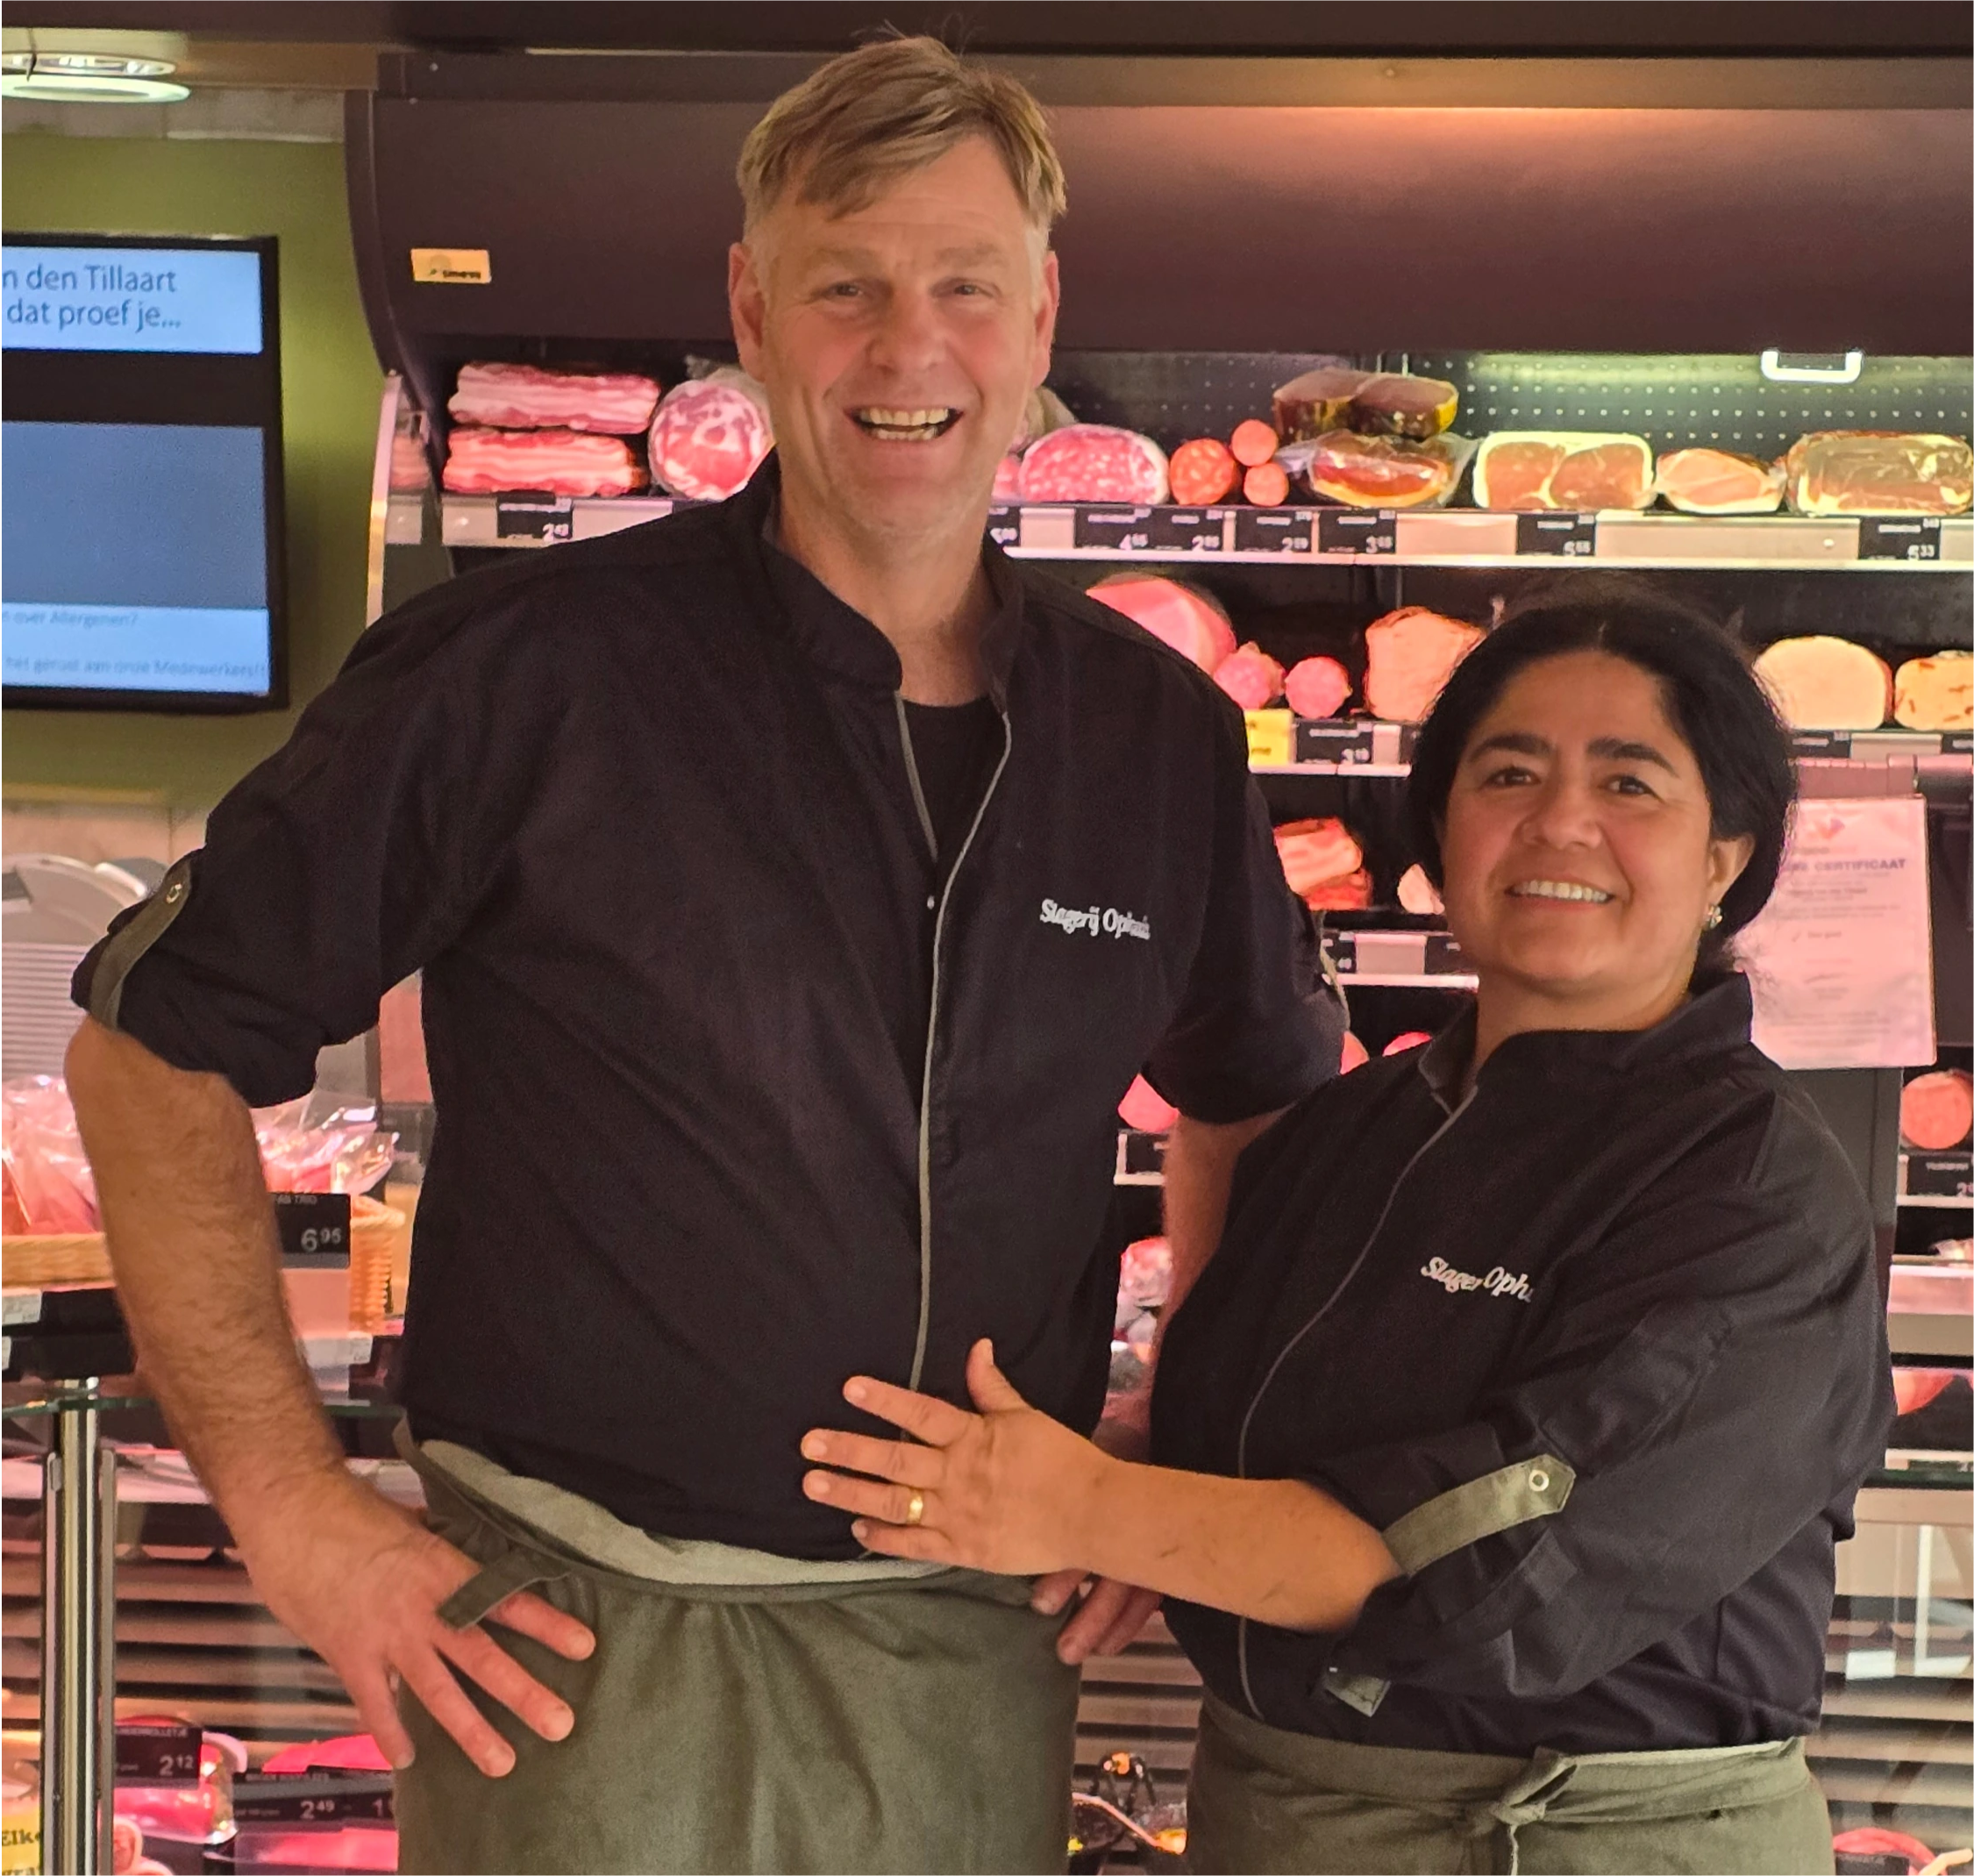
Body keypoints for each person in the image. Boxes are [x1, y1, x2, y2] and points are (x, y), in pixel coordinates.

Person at [62, 36, 1339, 1876]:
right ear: (751, 307)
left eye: (964, 285)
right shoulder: (528, 674)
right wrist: (290, 1504)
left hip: (966, 1656)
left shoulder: (1151, 739)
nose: (910, 350)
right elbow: (148, 1043)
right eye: (846, 286)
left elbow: (1260, 1103)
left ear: (1041, 310)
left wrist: (1166, 1437)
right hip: (587, 1650)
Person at [802, 579, 1895, 1875]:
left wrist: (1095, 1508)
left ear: (1724, 854)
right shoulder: (1355, 1128)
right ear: (1437, 830)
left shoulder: (1752, 1183)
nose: (1557, 821)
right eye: (1506, 773)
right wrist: (1154, 1464)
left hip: (1578, 1839)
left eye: (1629, 784)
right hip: (1281, 1814)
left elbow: (1496, 1565)